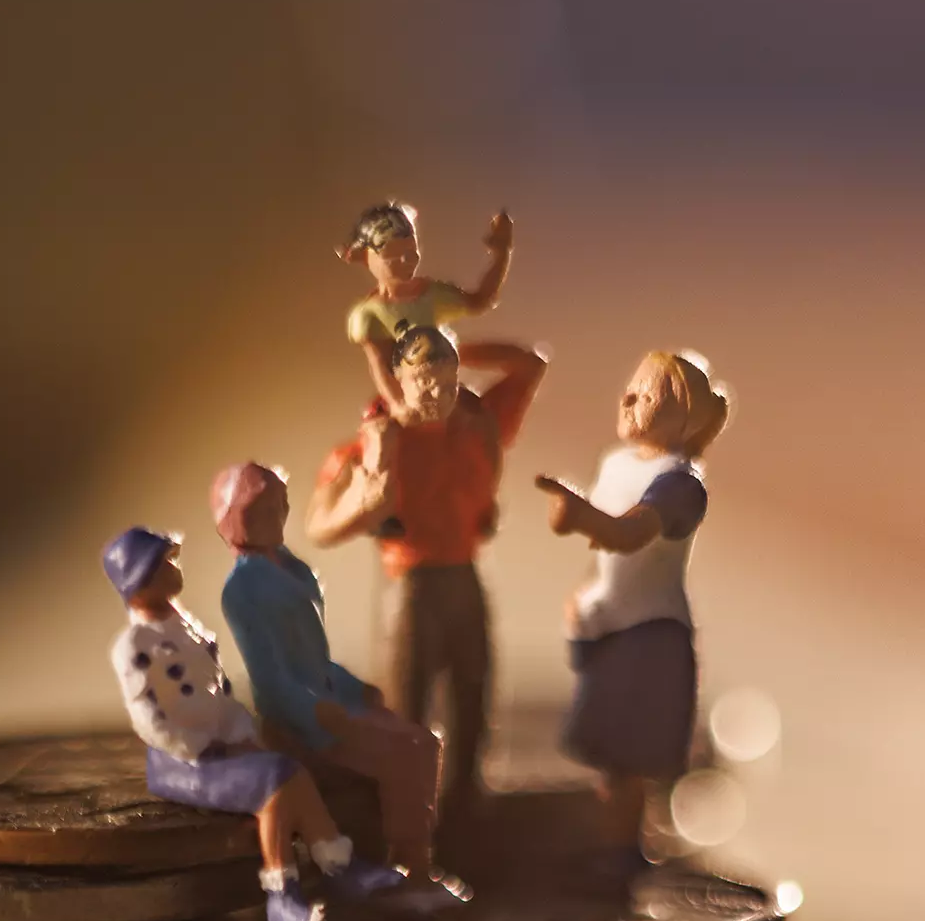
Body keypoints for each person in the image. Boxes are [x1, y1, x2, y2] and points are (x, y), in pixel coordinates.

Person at [102, 526, 403, 921]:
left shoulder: (184, 625)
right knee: (277, 782)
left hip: (220, 743)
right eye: (163, 564)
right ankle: (283, 895)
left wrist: (240, 734)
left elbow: (217, 693)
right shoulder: (134, 645)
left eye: (172, 559)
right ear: (138, 584)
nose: (175, 568)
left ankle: (338, 866)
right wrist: (209, 748)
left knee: (291, 771)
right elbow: (151, 720)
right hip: (182, 761)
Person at [306, 325, 549, 816]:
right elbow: (319, 526)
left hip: (464, 570)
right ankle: (405, 816)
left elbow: (529, 364)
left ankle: (466, 805)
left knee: (474, 688)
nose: (437, 394)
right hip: (411, 580)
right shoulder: (372, 444)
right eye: (424, 381)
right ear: (397, 379)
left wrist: (453, 342)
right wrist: (365, 502)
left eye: (447, 379)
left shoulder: (478, 422)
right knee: (408, 704)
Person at [210, 462, 454, 900]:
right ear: (235, 519)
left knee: (424, 741)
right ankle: (409, 868)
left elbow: (315, 661)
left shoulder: (293, 569)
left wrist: (354, 688)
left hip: (330, 704)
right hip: (298, 720)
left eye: (278, 507)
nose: (276, 518)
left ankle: (417, 859)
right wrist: (315, 710)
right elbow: (270, 677)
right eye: (261, 511)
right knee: (408, 749)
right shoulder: (243, 589)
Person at [535, 350, 729, 881]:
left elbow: (628, 535)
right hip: (611, 621)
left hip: (650, 635)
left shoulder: (681, 485)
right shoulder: (615, 465)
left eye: (647, 394)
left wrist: (577, 514)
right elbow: (598, 537)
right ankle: (611, 845)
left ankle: (621, 852)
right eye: (630, 387)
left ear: (683, 420)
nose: (627, 398)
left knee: (628, 758)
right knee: (605, 755)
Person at [339, 200, 515, 419]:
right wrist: (399, 405)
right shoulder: (369, 315)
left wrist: (502, 252)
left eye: (411, 250)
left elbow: (480, 300)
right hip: (410, 391)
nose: (406, 260)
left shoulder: (432, 295)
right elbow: (381, 367)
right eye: (392, 256)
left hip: (444, 383)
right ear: (364, 257)